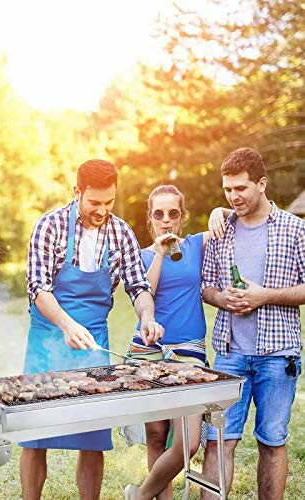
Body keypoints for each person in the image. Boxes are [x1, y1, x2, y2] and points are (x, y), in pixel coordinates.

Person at [20, 159, 164, 500]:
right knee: (35, 436)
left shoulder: (121, 233)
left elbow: (138, 286)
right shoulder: (50, 226)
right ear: (77, 192)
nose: (102, 210)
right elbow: (38, 288)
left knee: (93, 438)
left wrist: (146, 316)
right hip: (48, 341)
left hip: (94, 345)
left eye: (109, 202)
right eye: (94, 202)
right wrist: (67, 325)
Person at [200, 147, 304, 500]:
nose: (233, 197)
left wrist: (265, 296)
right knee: (216, 443)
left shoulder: (294, 229)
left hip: (278, 355)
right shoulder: (221, 229)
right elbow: (206, 285)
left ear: (262, 183)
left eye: (240, 188)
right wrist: (220, 298)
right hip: (230, 354)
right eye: (227, 190)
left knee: (272, 442)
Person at [123, 185, 229, 500]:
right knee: (157, 436)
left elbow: (236, 216)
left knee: (189, 442)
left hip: (189, 353)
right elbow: (146, 293)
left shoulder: (195, 245)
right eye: (159, 214)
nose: (166, 220)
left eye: (173, 213)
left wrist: (217, 211)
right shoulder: (142, 256)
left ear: (182, 218)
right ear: (150, 219)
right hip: (149, 352)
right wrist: (158, 252)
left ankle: (140, 495)